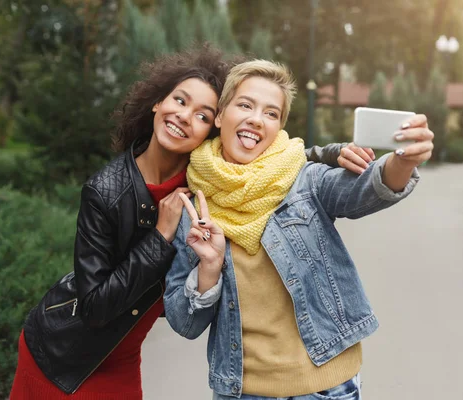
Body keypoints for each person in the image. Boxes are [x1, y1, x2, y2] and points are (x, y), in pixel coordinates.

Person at [9, 47, 361, 399]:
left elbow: (276, 158)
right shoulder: (105, 191)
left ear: (214, 126)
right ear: (157, 104)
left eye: (202, 115)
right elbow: (94, 308)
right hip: (64, 353)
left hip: (123, 352)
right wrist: (160, 235)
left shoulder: (207, 175)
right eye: (179, 101)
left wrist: (329, 153)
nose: (184, 116)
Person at [163, 59, 434, 399]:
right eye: (245, 105)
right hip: (241, 390)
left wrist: (403, 161)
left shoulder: (303, 179)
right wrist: (209, 268)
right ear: (220, 115)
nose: (256, 119)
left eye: (271, 113)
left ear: (279, 127)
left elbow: (364, 190)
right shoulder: (191, 206)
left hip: (325, 387)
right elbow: (184, 322)